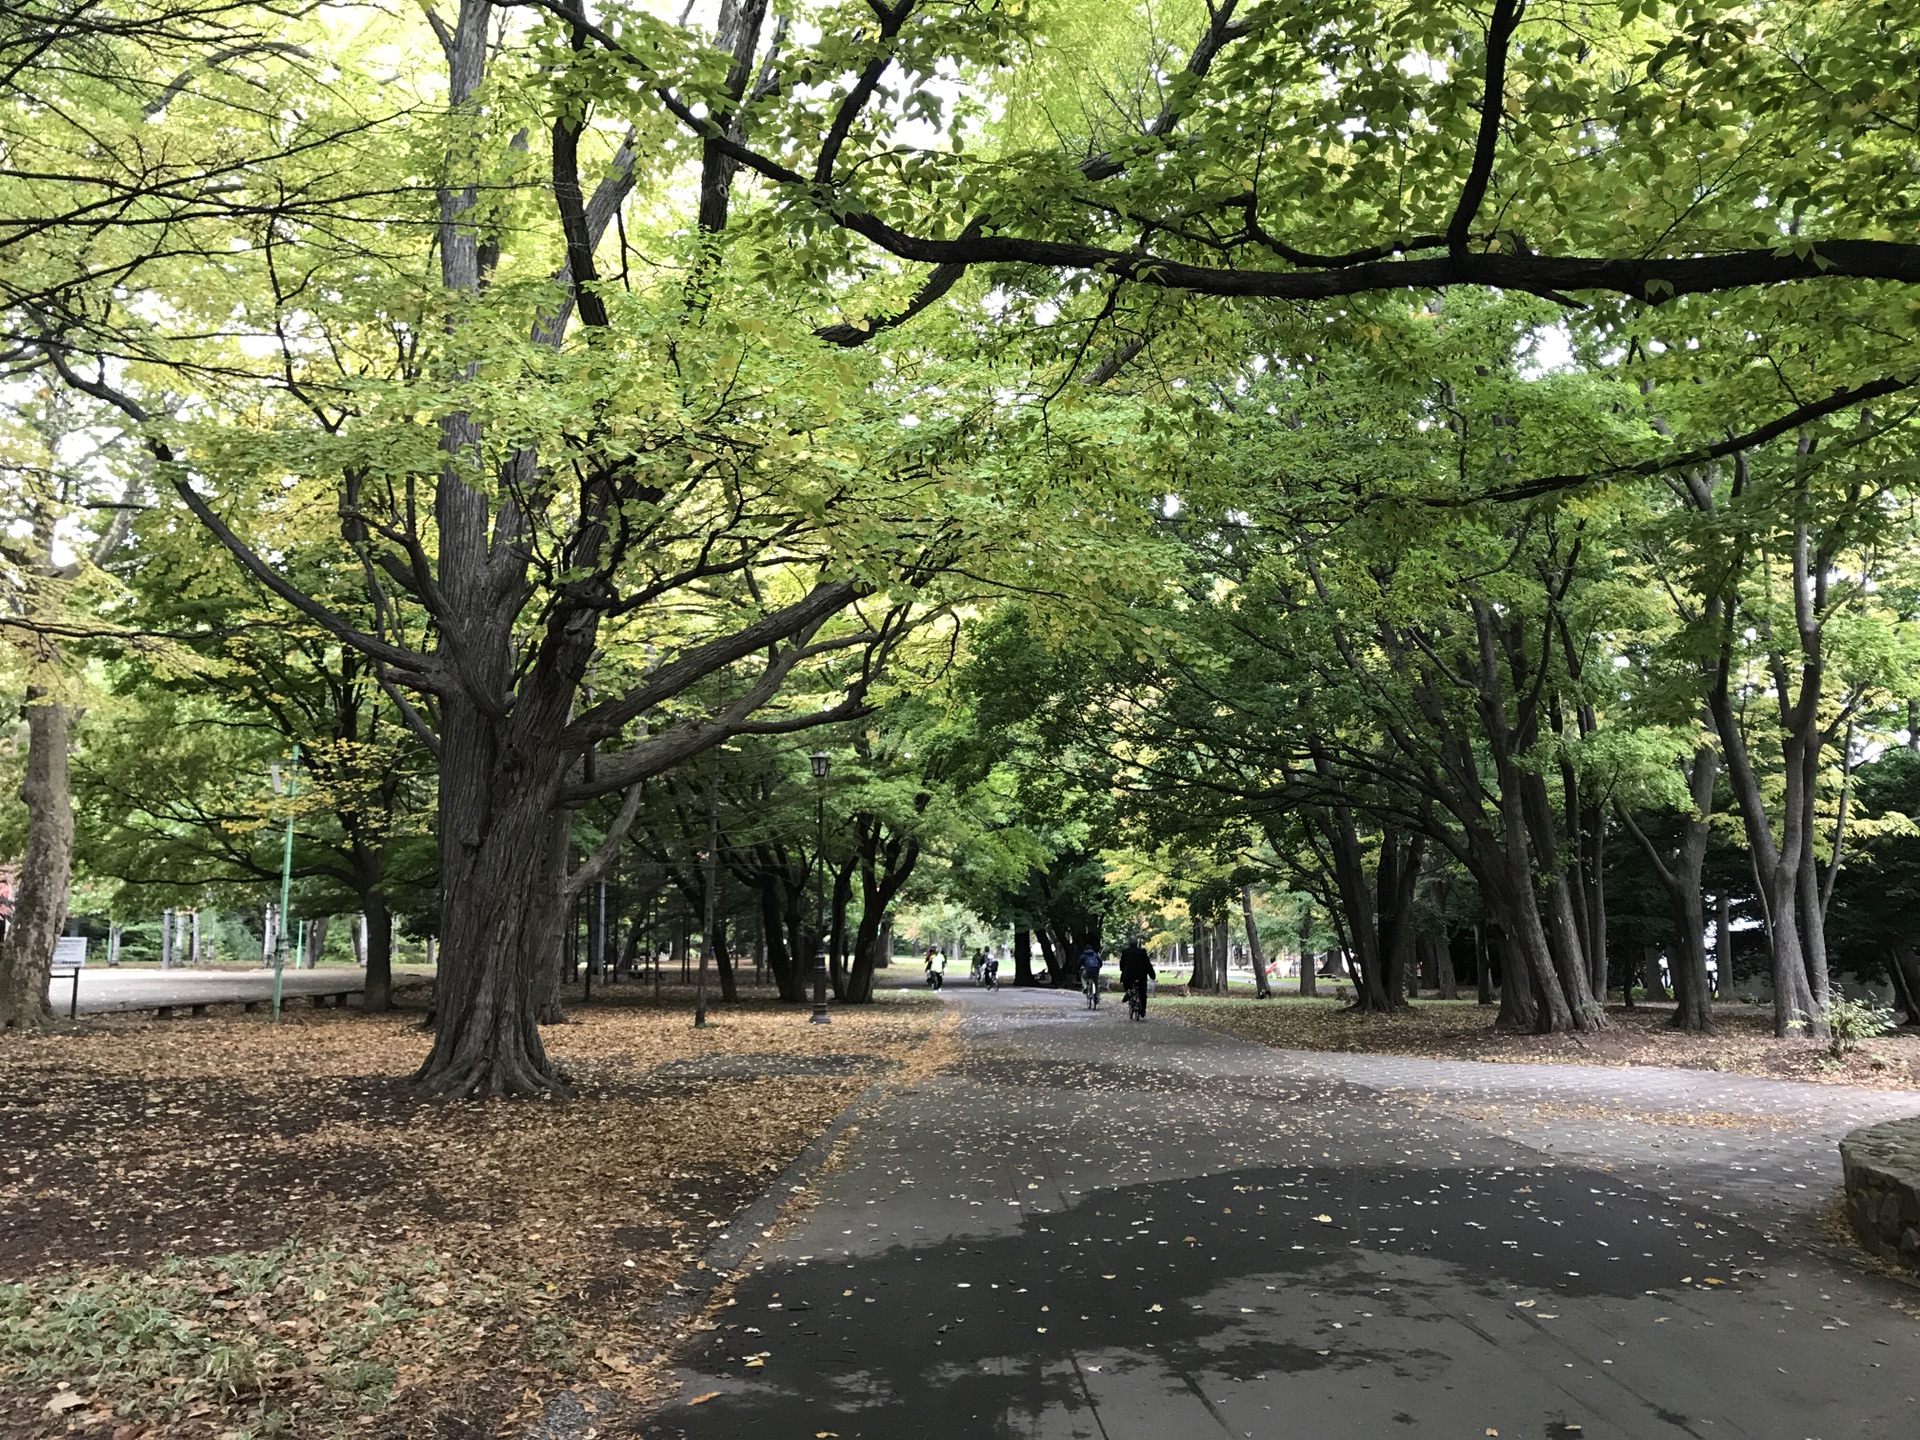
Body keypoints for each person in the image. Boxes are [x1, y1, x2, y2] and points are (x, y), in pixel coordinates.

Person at [1119, 936, 1156, 1019]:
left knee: (1127, 983)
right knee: (1142, 993)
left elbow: (1122, 964)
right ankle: (1142, 1009)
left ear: (1129, 943)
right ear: (1137, 944)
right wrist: (1152, 974)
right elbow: (1147, 964)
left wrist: (1122, 970)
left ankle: (1128, 992)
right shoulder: (1142, 952)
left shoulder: (1125, 952)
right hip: (1141, 976)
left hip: (1128, 976)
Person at [1078, 943, 1103, 1008]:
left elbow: (1079, 964)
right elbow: (1100, 963)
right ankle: (1096, 996)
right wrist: (1098, 968)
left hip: (1088, 971)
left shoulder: (1083, 955)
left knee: (1083, 977)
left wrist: (1078, 969)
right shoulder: (1095, 955)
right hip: (1095, 971)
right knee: (1096, 983)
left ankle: (1085, 986)